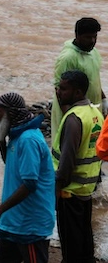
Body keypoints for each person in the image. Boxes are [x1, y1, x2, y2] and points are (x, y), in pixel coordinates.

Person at [0, 92, 55, 263]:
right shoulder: (16, 135)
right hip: (14, 221)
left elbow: (29, 184)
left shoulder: (28, 139)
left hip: (29, 225)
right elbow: (12, 165)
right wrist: (0, 140)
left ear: (11, 114)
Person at [55, 70, 102, 263]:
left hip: (69, 192)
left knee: (71, 247)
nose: (58, 91)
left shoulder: (74, 119)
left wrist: (56, 188)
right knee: (84, 242)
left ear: (78, 92)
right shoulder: (95, 113)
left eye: (63, 89)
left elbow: (67, 160)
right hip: (87, 190)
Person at [52, 17, 103, 131]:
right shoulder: (68, 57)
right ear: (77, 35)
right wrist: (70, 117)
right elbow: (59, 89)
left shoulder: (93, 53)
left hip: (92, 111)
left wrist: (104, 101)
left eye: (95, 36)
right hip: (75, 114)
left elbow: (95, 79)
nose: (92, 41)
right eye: (88, 37)